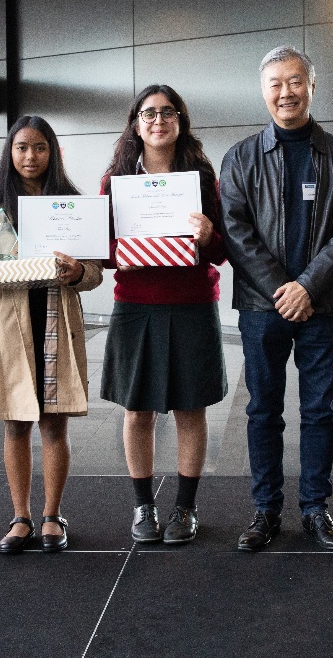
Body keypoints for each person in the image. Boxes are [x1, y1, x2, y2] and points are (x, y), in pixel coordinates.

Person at [220, 46, 333, 552]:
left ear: (312, 86)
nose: (286, 92)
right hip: (261, 308)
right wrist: (282, 290)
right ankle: (265, 511)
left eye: (295, 81)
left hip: (321, 306)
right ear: (264, 91)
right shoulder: (241, 157)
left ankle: (315, 510)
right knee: (262, 410)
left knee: (319, 410)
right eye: (276, 84)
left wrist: (307, 285)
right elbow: (235, 230)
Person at [100, 85, 229, 546]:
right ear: (136, 124)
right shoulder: (115, 180)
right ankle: (144, 505)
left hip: (192, 303)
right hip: (136, 305)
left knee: (191, 409)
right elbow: (101, 248)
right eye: (149, 113)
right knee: (137, 409)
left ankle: (185, 508)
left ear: (181, 121)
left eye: (168, 112)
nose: (159, 120)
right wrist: (120, 254)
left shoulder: (203, 178)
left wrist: (209, 235)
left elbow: (222, 251)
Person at [0, 116, 102, 554]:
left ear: (53, 153)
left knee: (55, 425)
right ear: (10, 152)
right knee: (15, 424)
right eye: (22, 147)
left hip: (57, 321)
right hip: (12, 327)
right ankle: (20, 517)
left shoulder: (72, 204)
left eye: (40, 147)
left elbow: (95, 272)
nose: (30, 156)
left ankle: (52, 516)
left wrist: (78, 272)